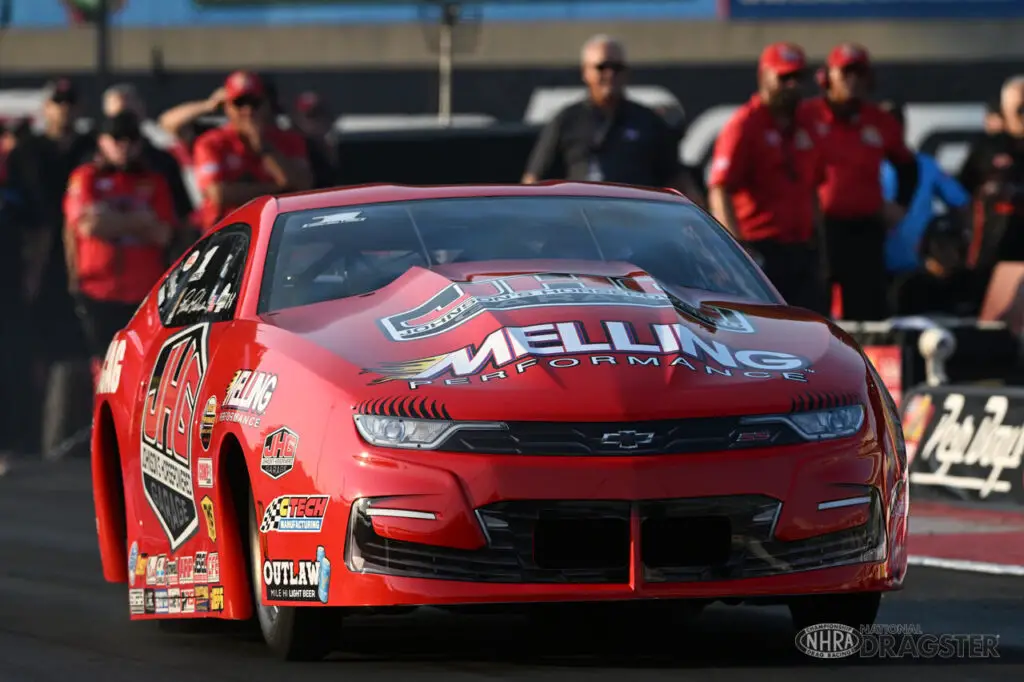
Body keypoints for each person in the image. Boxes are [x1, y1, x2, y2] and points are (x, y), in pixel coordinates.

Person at [707, 43, 827, 313]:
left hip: (802, 250)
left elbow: (812, 189)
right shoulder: (744, 126)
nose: (792, 85)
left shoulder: (806, 125)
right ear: (764, 78)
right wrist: (736, 251)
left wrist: (819, 246)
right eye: (784, 78)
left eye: (798, 78)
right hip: (761, 250)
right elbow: (720, 189)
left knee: (812, 328)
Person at [802, 43, 918, 320]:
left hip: (866, 230)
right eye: (846, 73)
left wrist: (901, 205)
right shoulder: (806, 116)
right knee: (815, 310)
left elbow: (907, 165)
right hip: (819, 230)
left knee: (869, 312)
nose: (853, 81)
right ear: (827, 76)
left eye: (860, 73)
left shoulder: (878, 120)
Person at [522, 34, 703, 203]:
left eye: (617, 68)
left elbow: (679, 179)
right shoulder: (567, 120)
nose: (610, 75)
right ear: (586, 71)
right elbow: (534, 179)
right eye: (602, 67)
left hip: (636, 216)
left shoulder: (648, 121)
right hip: (581, 218)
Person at [64, 111, 175, 378]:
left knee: (142, 366)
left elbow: (163, 233)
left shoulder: (154, 181)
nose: (124, 145)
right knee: (104, 367)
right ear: (102, 141)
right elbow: (88, 226)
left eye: (131, 139)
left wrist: (110, 219)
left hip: (143, 292)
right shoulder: (86, 177)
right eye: (116, 138)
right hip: (98, 291)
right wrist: (139, 220)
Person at [192, 71, 312, 235]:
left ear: (267, 104)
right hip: (227, 232)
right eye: (240, 103)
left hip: (281, 233)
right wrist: (277, 190)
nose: (248, 111)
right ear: (227, 107)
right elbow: (219, 194)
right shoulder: (211, 143)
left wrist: (265, 148)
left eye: (254, 103)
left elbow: (302, 186)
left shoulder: (289, 140)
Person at [878, 100, 971, 275]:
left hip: (918, 269)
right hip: (876, 268)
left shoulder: (925, 165)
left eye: (897, 122)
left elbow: (962, 203)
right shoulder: (864, 167)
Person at [958, 75, 1024, 294]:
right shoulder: (988, 148)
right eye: (1020, 109)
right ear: (1005, 110)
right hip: (992, 252)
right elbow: (963, 191)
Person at [103, 83, 194, 241]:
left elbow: (179, 217)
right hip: (103, 258)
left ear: (141, 113)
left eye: (129, 116)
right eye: (119, 117)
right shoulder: (91, 166)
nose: (125, 140)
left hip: (152, 258)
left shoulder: (162, 162)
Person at [890, 215, 978, 317]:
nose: (948, 252)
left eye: (953, 244)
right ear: (927, 246)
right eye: (941, 245)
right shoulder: (909, 287)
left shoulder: (971, 284)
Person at [293, 91, 340, 189]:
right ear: (298, 120)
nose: (318, 121)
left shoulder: (340, 148)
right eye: (311, 116)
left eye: (321, 114)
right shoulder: (292, 149)